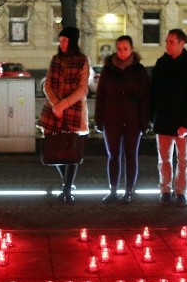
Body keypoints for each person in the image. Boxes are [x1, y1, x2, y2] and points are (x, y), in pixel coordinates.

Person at [94, 35, 150, 204]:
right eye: (119, 49)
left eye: (125, 49)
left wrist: (144, 120)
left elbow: (145, 97)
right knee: (113, 155)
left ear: (132, 49)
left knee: (131, 155)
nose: (122, 52)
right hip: (112, 119)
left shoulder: (139, 70)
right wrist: (99, 119)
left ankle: (129, 191)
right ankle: (113, 190)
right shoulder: (108, 70)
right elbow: (101, 96)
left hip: (132, 119)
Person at [150, 29, 187, 207]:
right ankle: (165, 189)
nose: (168, 45)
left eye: (172, 42)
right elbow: (153, 92)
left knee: (184, 160)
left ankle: (181, 191)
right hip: (163, 119)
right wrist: (152, 117)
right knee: (164, 158)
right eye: (167, 42)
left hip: (182, 122)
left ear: (182, 43)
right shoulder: (162, 63)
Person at [38, 26, 90, 203]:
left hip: (74, 111)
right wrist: (56, 105)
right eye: (60, 40)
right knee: (55, 148)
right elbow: (48, 85)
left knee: (71, 148)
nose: (61, 43)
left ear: (72, 41)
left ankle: (67, 189)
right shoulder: (55, 60)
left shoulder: (82, 60)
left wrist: (64, 104)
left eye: (64, 40)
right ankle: (65, 182)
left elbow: (82, 88)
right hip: (54, 111)